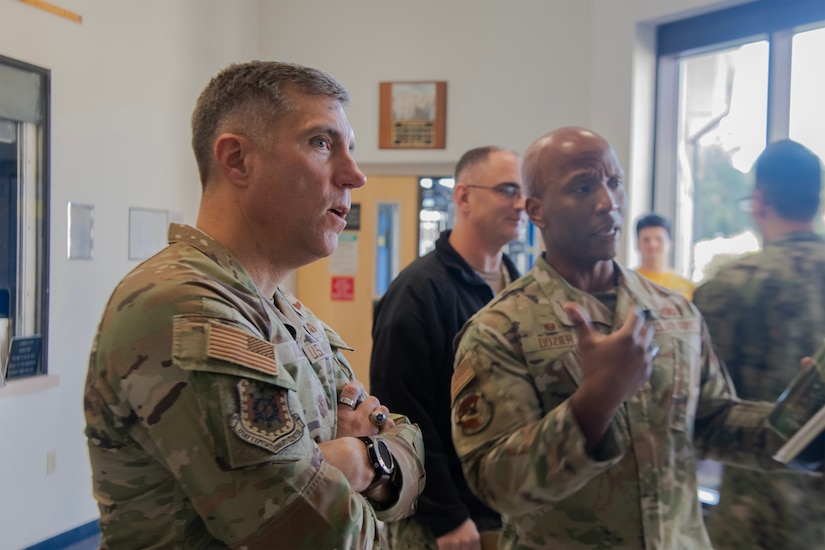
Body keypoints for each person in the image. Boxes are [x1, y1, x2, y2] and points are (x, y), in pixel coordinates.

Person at [84, 61, 425, 549]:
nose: (355, 175)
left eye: (350, 148)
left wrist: (353, 457)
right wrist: (368, 460)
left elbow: (412, 468)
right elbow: (321, 536)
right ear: (238, 160)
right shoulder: (185, 308)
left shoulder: (288, 314)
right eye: (321, 143)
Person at [450, 126, 798, 549]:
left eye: (614, 182)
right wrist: (594, 402)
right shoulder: (498, 330)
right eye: (582, 187)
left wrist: (797, 425)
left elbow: (710, 422)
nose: (608, 202)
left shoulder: (674, 311)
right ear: (537, 211)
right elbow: (495, 483)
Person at [370, 146, 525, 549]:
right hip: (445, 523)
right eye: (508, 190)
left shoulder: (520, 287)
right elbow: (403, 413)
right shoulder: (418, 293)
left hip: (509, 511)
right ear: (464, 197)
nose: (522, 203)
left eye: (525, 192)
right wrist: (447, 516)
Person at [693, 139, 825, 549]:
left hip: (753, 520)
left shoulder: (726, 290)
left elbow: (693, 414)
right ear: (817, 202)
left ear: (759, 200)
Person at [634, 212, 695, 300]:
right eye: (646, 240)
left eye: (659, 239)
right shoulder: (627, 283)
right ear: (638, 244)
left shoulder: (688, 288)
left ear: (670, 244)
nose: (652, 245)